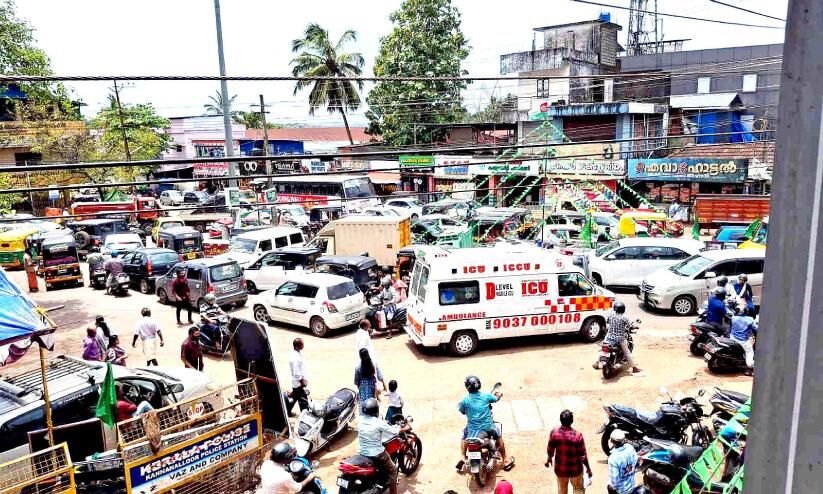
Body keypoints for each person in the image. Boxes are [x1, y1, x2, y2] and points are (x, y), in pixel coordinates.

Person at [457, 375, 513, 471]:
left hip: (472, 430)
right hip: (488, 427)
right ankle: (505, 459)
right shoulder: (486, 396)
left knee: (463, 436)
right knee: (498, 435)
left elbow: (462, 411)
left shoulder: (465, 400)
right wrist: (499, 394)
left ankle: (462, 457)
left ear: (467, 387)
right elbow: (496, 398)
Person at [357, 398, 410, 494]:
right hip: (377, 454)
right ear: (376, 410)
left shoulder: (360, 420)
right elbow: (395, 431)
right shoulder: (378, 422)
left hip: (362, 453)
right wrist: (406, 427)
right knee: (393, 470)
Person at [546, 410, 592, 494]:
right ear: (572, 421)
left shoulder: (554, 433)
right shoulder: (578, 435)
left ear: (560, 420)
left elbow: (550, 448)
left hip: (560, 469)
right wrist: (588, 468)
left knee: (562, 490)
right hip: (576, 470)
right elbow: (583, 455)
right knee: (578, 490)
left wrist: (549, 458)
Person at [596, 302, 641, 374]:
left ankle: (596, 363)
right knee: (627, 353)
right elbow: (629, 326)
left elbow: (608, 323)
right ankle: (634, 368)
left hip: (609, 337)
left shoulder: (610, 315)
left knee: (603, 349)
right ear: (623, 309)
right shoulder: (624, 318)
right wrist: (634, 327)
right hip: (619, 339)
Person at [607, 430, 638, 494]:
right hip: (632, 485)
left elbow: (614, 482)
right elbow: (635, 461)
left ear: (612, 441)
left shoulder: (613, 458)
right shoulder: (630, 447)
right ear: (624, 439)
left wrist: (611, 487)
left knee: (609, 486)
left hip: (621, 491)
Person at [730, 306, 758, 375]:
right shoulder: (750, 319)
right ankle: (750, 366)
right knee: (749, 352)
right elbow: (756, 328)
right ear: (745, 311)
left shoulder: (733, 318)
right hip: (743, 341)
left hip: (732, 339)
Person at [288, 338, 310, 414]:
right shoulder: (295, 357)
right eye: (302, 344)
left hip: (297, 383)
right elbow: (296, 371)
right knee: (303, 401)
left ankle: (287, 410)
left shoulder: (296, 354)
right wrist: (302, 382)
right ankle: (305, 415)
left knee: (295, 396)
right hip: (299, 383)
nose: (303, 345)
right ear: (297, 346)